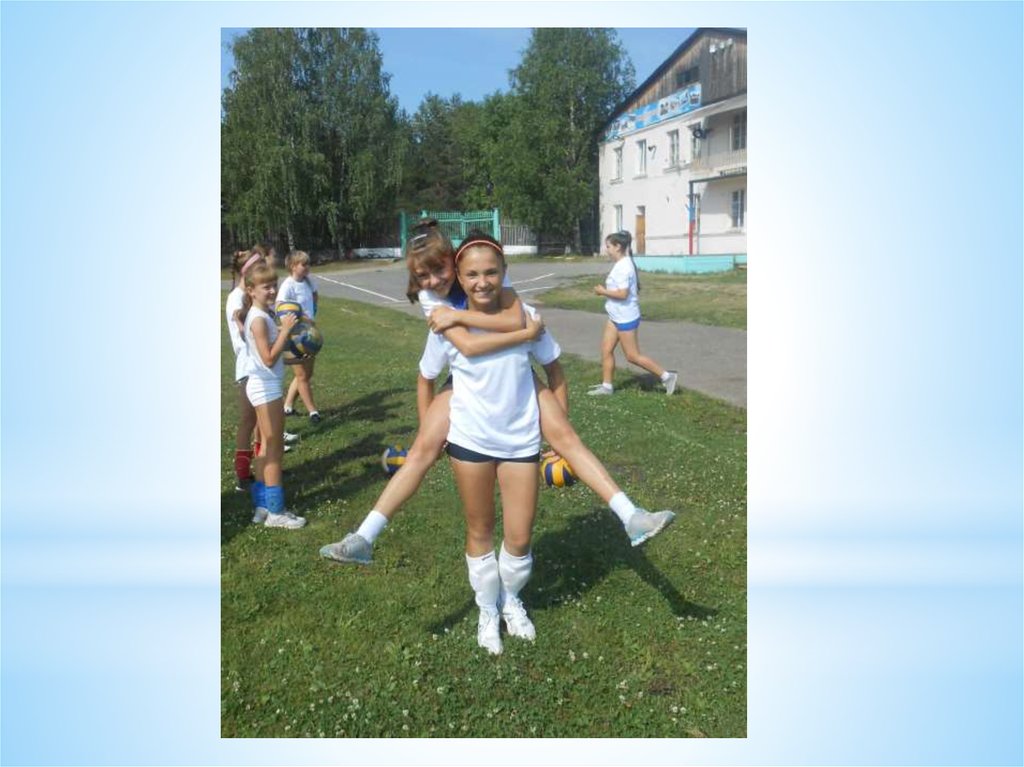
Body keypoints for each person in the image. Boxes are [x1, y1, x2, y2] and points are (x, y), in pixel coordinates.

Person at [320, 223, 675, 566]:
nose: (435, 281)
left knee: (567, 438)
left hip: (518, 378)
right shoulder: (435, 305)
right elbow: (460, 353)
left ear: (458, 263)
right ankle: (364, 537)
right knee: (421, 454)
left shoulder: (502, 294)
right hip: (463, 382)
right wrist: (427, 429)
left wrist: (516, 331)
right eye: (424, 276)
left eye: (440, 270)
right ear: (459, 274)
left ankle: (631, 516)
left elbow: (527, 338)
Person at [419, 235, 550, 654]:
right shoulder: (447, 323)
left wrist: (558, 434)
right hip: (471, 439)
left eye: (491, 272)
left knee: (520, 536)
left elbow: (554, 367)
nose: (482, 281)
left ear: (504, 273)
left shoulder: (527, 317)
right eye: (472, 274)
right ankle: (487, 610)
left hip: (519, 441)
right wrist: (427, 429)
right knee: (480, 529)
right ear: (460, 278)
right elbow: (426, 375)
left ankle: (511, 600)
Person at [241, 262, 306, 529]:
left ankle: (262, 506)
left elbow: (267, 353)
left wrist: (286, 341)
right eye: (265, 287)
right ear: (251, 290)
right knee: (274, 449)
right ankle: (276, 512)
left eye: (273, 285)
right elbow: (268, 358)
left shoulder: (261, 315)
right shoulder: (258, 319)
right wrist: (286, 330)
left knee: (265, 448)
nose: (272, 291)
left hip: (264, 385)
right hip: (265, 388)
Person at [588, 230, 679, 397]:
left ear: (618, 247)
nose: (606, 250)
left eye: (608, 246)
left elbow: (623, 294)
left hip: (625, 317)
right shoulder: (622, 263)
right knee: (606, 349)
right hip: (615, 315)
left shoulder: (624, 267)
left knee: (632, 356)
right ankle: (607, 387)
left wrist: (602, 291)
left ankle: (667, 376)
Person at [278, 250, 322, 425]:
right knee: (302, 374)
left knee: (307, 373)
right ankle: (313, 412)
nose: (307, 267)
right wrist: (299, 320)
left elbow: (315, 296)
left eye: (308, 263)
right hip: (294, 336)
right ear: (292, 266)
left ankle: (287, 406)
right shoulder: (288, 285)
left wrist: (312, 316)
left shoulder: (309, 281)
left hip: (309, 332)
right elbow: (280, 307)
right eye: (303, 264)